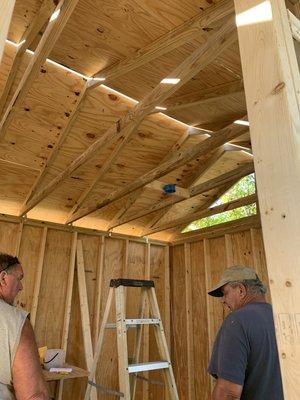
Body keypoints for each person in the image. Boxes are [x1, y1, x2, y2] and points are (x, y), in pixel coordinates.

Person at [207, 265, 284, 400]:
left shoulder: (236, 321)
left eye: (225, 293)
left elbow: (229, 393)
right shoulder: (281, 318)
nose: (223, 300)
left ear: (241, 290)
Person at [0, 253, 49, 400]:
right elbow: (34, 396)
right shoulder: (15, 321)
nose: (21, 287)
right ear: (3, 278)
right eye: (19, 278)